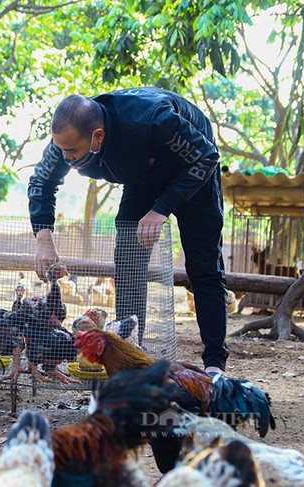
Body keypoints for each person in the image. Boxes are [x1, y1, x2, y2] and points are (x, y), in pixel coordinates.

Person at [27, 87, 228, 374]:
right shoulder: (66, 140)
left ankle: (214, 365)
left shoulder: (152, 120)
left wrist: (162, 208)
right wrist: (44, 238)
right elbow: (41, 183)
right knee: (129, 263)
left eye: (71, 151)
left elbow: (206, 156)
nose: (65, 158)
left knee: (203, 266)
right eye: (61, 149)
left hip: (191, 170)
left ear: (98, 136)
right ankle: (131, 356)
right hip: (141, 175)